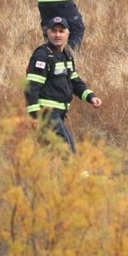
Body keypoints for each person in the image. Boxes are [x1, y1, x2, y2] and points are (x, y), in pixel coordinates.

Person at [24, 16, 102, 153]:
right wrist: (34, 116)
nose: (57, 35)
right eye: (54, 31)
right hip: (46, 112)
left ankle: (56, 174)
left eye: (61, 31)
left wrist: (90, 96)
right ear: (47, 33)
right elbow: (32, 87)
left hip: (59, 113)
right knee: (66, 149)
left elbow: (75, 81)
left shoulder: (67, 55)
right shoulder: (42, 55)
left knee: (64, 149)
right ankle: (75, 174)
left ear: (68, 34)